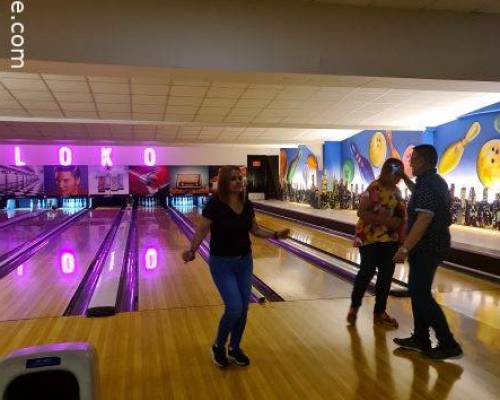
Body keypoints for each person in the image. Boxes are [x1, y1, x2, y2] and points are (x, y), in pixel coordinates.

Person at [182, 166, 289, 368]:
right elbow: (202, 229)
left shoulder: (246, 204)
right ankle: (218, 345)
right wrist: (192, 250)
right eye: (233, 179)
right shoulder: (215, 205)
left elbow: (255, 230)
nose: (238, 182)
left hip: (244, 262)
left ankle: (234, 348)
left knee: (244, 308)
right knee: (234, 307)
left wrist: (275, 235)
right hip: (221, 263)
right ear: (224, 183)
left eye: (240, 178)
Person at [393, 144, 463, 360]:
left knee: (421, 294)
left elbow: (423, 219)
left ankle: (448, 344)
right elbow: (420, 195)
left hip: (428, 246)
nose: (410, 162)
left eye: (413, 158)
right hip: (430, 245)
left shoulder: (429, 185)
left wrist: (405, 248)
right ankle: (421, 338)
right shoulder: (431, 182)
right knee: (417, 291)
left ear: (422, 161)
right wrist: (405, 179)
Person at [347, 158, 406, 328]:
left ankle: (380, 312)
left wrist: (402, 241)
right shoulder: (374, 188)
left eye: (400, 176)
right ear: (388, 173)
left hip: (390, 240)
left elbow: (401, 217)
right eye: (397, 175)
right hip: (370, 238)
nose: (399, 179)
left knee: (386, 276)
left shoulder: (397, 192)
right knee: (366, 272)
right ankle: (354, 308)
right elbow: (361, 212)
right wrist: (386, 221)